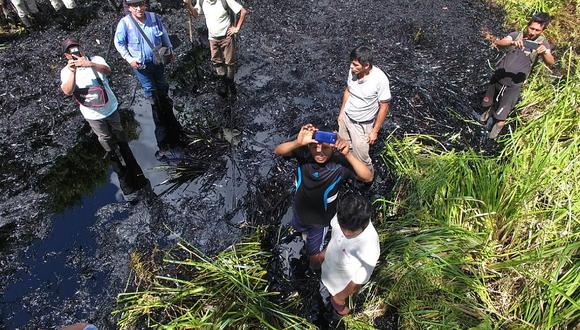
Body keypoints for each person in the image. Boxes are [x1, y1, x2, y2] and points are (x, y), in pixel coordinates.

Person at [274, 124, 373, 270]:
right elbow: (278, 151)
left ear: (333, 147)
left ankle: (314, 269)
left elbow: (367, 177)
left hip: (320, 222)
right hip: (299, 211)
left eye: (325, 148)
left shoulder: (339, 165)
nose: (319, 152)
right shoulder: (303, 154)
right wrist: (297, 142)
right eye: (315, 147)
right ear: (309, 146)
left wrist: (348, 154)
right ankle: (302, 234)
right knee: (298, 228)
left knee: (314, 255)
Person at [60, 38, 141, 174]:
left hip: (110, 106)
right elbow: (67, 91)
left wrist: (89, 64)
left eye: (76, 48)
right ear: (66, 55)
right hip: (91, 114)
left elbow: (108, 70)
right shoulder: (65, 71)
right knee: (104, 137)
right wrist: (73, 71)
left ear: (81, 47)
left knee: (118, 129)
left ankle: (125, 149)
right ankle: (113, 158)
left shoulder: (96, 59)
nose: (75, 52)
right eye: (70, 51)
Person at [114, 0, 182, 159]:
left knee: (162, 84)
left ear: (145, 5)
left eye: (141, 4)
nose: (139, 8)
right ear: (129, 8)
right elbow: (119, 43)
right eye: (135, 5)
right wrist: (129, 59)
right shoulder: (125, 24)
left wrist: (170, 49)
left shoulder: (153, 17)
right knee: (149, 89)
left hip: (157, 61)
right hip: (141, 65)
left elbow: (163, 33)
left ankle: (164, 102)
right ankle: (156, 107)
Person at [480, 12, 555, 139]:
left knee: (502, 116)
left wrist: (544, 53)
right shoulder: (516, 35)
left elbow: (551, 61)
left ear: (543, 30)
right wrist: (512, 43)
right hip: (498, 76)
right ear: (527, 25)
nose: (533, 32)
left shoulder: (543, 44)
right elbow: (499, 43)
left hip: (514, 85)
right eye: (531, 28)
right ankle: (483, 122)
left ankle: (491, 138)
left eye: (537, 30)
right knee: (489, 102)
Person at [320, 194, 380, 316]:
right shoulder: (343, 215)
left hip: (342, 286)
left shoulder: (370, 246)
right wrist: (324, 253)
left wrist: (339, 297)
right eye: (344, 227)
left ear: (365, 224)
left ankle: (344, 313)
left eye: (352, 231)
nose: (346, 233)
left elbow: (357, 281)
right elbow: (334, 237)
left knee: (342, 308)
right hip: (328, 269)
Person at [337, 46, 392, 180]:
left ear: (366, 65)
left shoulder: (380, 80)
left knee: (362, 157)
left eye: (355, 65)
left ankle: (366, 179)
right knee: (344, 147)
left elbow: (384, 106)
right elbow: (348, 90)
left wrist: (375, 131)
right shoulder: (353, 71)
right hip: (346, 117)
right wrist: (341, 113)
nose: (351, 67)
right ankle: (350, 171)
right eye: (351, 63)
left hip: (362, 125)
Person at [184, 0, 247, 97]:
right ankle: (224, 84)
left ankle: (230, 84)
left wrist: (236, 28)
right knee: (216, 62)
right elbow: (195, 14)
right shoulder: (202, 1)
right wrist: (188, 4)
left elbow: (243, 11)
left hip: (226, 37)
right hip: (212, 38)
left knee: (230, 63)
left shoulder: (225, 1)